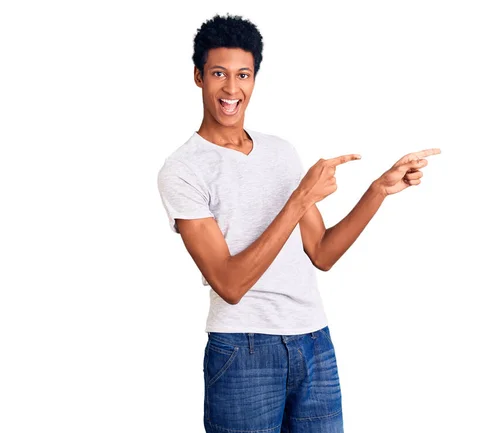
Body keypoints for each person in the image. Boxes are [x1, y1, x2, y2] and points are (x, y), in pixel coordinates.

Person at [157, 13, 440, 433]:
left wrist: (378, 189)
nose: (231, 89)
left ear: (254, 79)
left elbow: (322, 253)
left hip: (314, 341)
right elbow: (229, 285)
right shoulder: (182, 170)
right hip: (242, 351)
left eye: (243, 75)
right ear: (198, 76)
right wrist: (299, 197)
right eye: (219, 73)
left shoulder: (280, 152)